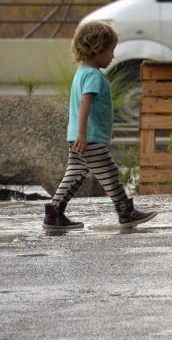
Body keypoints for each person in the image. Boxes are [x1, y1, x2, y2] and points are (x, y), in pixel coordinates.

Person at [43, 21, 157, 230]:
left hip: (78, 136)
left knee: (75, 173)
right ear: (97, 49)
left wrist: (80, 133)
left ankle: (54, 214)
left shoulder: (81, 73)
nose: (113, 56)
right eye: (111, 51)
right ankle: (126, 212)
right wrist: (84, 134)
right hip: (89, 138)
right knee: (110, 171)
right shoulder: (94, 76)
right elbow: (86, 103)